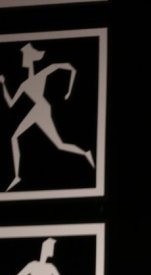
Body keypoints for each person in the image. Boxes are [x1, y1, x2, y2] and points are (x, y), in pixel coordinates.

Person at [0, 42, 95, 192]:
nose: (26, 62)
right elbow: (11, 104)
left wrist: (69, 91)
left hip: (42, 108)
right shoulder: (24, 84)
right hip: (35, 110)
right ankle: (17, 176)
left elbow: (70, 66)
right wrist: (3, 84)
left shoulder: (40, 75)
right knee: (17, 138)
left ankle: (85, 153)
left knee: (58, 144)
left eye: (27, 58)